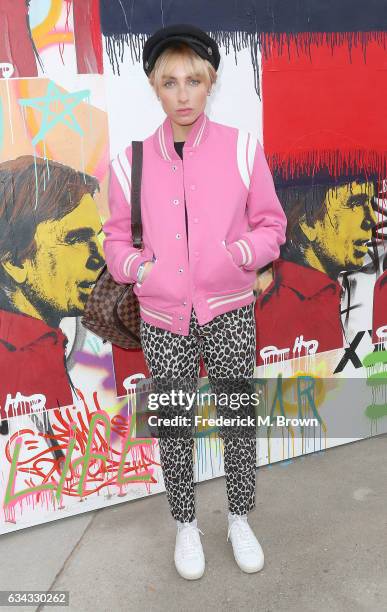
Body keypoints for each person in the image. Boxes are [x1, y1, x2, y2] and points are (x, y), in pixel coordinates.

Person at [102, 24, 287, 580]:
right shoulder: (128, 162)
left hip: (229, 311)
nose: (183, 95)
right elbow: (114, 239)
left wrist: (238, 253)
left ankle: (238, 517)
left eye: (194, 81)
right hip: (162, 318)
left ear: (210, 84)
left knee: (236, 416)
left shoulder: (241, 148)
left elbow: (272, 225)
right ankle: (186, 525)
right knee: (175, 421)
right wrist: (143, 270)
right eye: (170, 82)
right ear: (154, 88)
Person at [0, 155, 104, 422]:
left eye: (96, 236)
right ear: (15, 261)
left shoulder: (48, 342)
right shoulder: (20, 356)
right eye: (77, 239)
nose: (99, 257)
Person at [255, 174, 377, 365]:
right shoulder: (283, 313)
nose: (371, 219)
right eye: (355, 203)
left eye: (370, 202)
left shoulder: (338, 294)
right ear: (308, 223)